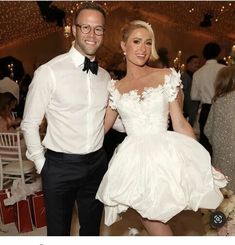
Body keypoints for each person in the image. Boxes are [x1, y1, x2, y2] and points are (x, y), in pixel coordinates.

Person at [96, 20, 227, 236]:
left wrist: (203, 163)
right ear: (123, 45)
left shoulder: (166, 76)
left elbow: (180, 123)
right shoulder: (115, 88)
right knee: (149, 219)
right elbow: (100, 130)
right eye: (136, 41)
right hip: (133, 165)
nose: (143, 48)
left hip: (163, 159)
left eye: (148, 43)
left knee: (155, 221)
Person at [21, 2, 111, 236]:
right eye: (86, 27)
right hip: (60, 167)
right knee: (59, 233)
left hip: (97, 164)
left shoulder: (105, 76)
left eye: (98, 29)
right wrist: (43, 166)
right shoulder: (49, 72)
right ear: (73, 29)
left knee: (92, 231)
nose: (92, 35)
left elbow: (106, 118)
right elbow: (30, 124)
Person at [191, 42, 225, 155]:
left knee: (205, 142)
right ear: (218, 53)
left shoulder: (198, 73)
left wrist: (205, 94)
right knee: (220, 141)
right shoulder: (224, 70)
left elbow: (193, 96)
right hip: (222, 109)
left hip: (205, 110)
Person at [205, 65, 235, 192]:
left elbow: (207, 129)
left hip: (221, 151)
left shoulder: (218, 101)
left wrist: (218, 141)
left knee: (224, 189)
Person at [181, 55, 200, 126]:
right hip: (188, 109)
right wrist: (184, 110)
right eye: (195, 62)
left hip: (193, 108)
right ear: (188, 64)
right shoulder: (185, 76)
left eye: (198, 63)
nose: (197, 65)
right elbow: (183, 93)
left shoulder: (195, 75)